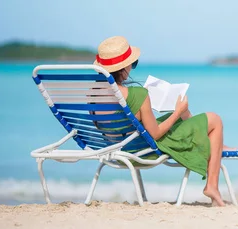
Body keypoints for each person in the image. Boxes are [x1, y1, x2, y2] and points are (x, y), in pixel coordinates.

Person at [93, 36, 228, 206]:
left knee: (183, 114)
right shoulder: (137, 95)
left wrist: (177, 112)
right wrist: (176, 111)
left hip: (118, 149)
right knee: (214, 119)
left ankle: (216, 143)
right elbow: (155, 134)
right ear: (124, 68)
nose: (132, 67)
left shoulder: (93, 96)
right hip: (142, 150)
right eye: (132, 64)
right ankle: (212, 185)